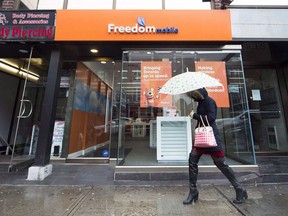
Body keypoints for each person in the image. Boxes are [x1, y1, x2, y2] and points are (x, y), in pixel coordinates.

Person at [183, 87, 248, 205]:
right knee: (192, 159)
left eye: (193, 95)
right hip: (201, 137)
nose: (192, 97)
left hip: (210, 137)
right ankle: (193, 191)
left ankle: (239, 188)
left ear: (198, 94)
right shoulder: (200, 102)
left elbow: (212, 118)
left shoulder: (209, 101)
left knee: (220, 163)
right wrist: (195, 114)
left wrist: (195, 115)